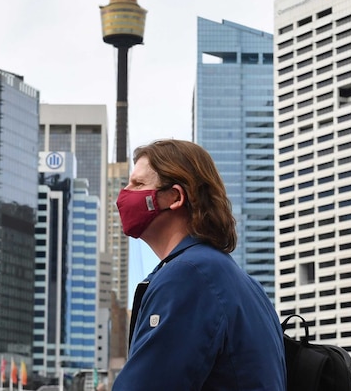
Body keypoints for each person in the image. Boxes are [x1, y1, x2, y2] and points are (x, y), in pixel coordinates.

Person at [112, 139, 286, 391]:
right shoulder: (242, 282)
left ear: (175, 197)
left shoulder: (188, 276)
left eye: (138, 184)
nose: (124, 194)